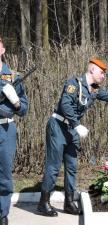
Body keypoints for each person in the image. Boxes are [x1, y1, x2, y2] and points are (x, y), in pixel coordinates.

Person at [37, 57, 108, 217]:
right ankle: (43, 202)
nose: (103, 76)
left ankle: (69, 202)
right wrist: (77, 124)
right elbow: (65, 104)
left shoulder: (94, 89)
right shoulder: (74, 83)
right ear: (91, 69)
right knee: (54, 167)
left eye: (104, 73)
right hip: (58, 126)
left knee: (71, 167)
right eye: (101, 72)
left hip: (72, 129)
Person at [0, 37, 29, 225]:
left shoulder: (14, 76)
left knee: (4, 175)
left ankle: (2, 213)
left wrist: (16, 102)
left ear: (2, 50)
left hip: (6, 129)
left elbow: (24, 109)